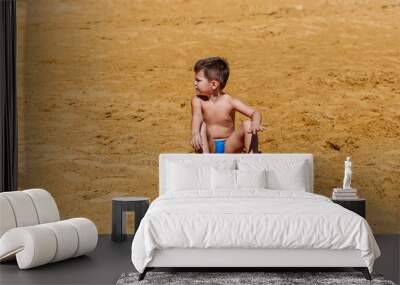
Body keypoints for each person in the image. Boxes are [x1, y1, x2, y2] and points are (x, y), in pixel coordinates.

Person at [190, 57, 264, 153]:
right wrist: (195, 133)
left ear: (213, 84)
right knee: (201, 126)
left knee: (248, 124)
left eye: (198, 80)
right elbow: (197, 115)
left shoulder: (229, 101)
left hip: (230, 146)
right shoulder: (197, 100)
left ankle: (252, 160)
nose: (194, 83)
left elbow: (255, 112)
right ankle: (205, 162)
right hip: (209, 145)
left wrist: (256, 122)